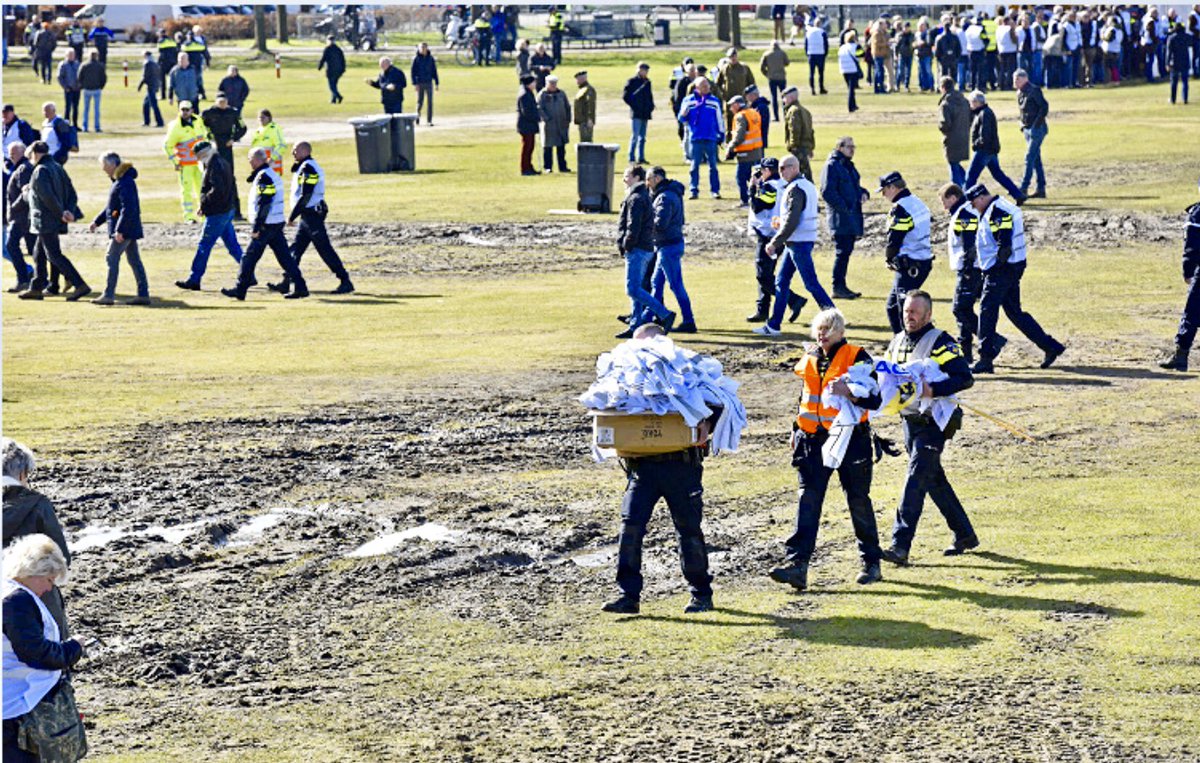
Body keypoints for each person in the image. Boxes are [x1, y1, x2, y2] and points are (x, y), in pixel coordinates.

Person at [600, 322, 716, 615]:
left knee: (688, 529)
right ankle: (628, 596)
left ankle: (701, 594)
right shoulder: (626, 370)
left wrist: (708, 422)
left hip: (681, 465)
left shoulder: (685, 366)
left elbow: (719, 400)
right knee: (630, 528)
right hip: (641, 467)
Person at [767, 308, 883, 590]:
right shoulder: (810, 356)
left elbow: (875, 400)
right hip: (811, 440)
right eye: (819, 329)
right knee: (808, 499)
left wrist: (850, 393)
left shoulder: (858, 356)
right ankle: (797, 566)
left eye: (828, 329)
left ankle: (871, 562)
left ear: (841, 332)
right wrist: (795, 428)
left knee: (858, 499)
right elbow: (806, 395)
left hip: (850, 439)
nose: (822, 334)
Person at [880, 290, 978, 566]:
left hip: (935, 422)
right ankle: (965, 534)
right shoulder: (896, 342)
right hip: (909, 422)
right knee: (932, 479)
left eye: (914, 312)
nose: (908, 317)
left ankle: (900, 545)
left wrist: (932, 389)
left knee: (915, 478)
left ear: (928, 314)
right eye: (906, 311)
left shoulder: (942, 342)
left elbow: (964, 378)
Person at [2, 533, 86, 763]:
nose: (50, 588)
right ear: (33, 571)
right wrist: (73, 648)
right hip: (18, 707)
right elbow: (36, 653)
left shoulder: (7, 590)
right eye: (49, 580)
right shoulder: (17, 601)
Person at [967, 183, 1065, 374]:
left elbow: (1004, 245)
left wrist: (994, 268)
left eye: (973, 203)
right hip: (1012, 267)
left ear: (981, 197)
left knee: (987, 311)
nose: (973, 207)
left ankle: (985, 358)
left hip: (1002, 269)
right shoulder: (1003, 205)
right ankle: (1051, 346)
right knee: (1015, 313)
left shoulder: (997, 211)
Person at [754, 155, 833, 336]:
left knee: (810, 283)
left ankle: (834, 318)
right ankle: (774, 325)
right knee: (781, 282)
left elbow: (793, 220)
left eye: (783, 168)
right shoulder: (806, 185)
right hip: (799, 241)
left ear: (794, 168)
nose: (780, 172)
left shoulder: (796, 188)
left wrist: (774, 242)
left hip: (798, 242)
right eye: (779, 168)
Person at [2, 439, 71, 639]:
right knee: (54, 646)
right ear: (22, 473)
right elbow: (62, 558)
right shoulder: (38, 505)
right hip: (39, 595)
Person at [267, 141, 353, 296]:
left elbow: (306, 195)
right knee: (296, 249)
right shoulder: (305, 167)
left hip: (312, 216)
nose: (292, 153)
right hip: (307, 216)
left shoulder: (309, 168)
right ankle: (286, 281)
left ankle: (345, 280)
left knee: (324, 249)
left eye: (295, 150)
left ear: (305, 151)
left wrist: (292, 216)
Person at [222, 147, 307, 301]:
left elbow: (265, 203)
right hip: (275, 222)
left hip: (266, 225)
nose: (249, 162)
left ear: (257, 160)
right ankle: (301, 287)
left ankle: (240, 290)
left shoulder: (264, 177)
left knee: (248, 258)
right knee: (285, 258)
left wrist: (257, 227)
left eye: (250, 159)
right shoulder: (271, 174)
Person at [19, 141, 90, 302]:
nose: (30, 160)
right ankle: (36, 287)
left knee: (54, 255)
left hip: (45, 219)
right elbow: (72, 193)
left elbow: (46, 197)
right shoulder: (58, 167)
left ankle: (80, 284)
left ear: (35, 153)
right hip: (54, 219)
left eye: (30, 156)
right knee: (39, 253)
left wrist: (26, 193)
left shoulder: (40, 170)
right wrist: (68, 211)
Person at [175, 141, 243, 291]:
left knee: (204, 246)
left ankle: (194, 279)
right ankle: (248, 273)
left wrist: (205, 204)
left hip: (217, 213)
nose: (197, 159)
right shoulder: (221, 162)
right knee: (232, 245)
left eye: (198, 156)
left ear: (204, 154)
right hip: (226, 210)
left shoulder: (214, 166)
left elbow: (216, 190)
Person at [616, 165, 674, 339]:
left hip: (638, 248)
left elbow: (633, 225)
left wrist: (626, 244)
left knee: (633, 289)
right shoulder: (640, 195)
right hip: (642, 247)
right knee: (637, 289)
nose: (624, 179)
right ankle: (636, 324)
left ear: (636, 178)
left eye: (627, 176)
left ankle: (664, 314)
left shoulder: (636, 198)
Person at [746, 157, 804, 324]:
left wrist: (752, 188)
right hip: (778, 233)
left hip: (768, 235)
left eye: (761, 171)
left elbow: (757, 206)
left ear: (767, 170)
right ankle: (762, 310)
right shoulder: (783, 184)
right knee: (766, 274)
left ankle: (793, 300)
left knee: (763, 276)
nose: (759, 174)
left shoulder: (770, 186)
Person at [88, 152, 149, 306]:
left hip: (125, 229)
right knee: (134, 260)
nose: (103, 169)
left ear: (113, 165)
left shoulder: (124, 182)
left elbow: (128, 208)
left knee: (111, 257)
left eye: (104, 165)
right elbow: (111, 207)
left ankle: (108, 295)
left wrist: (120, 230)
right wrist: (97, 222)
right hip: (129, 228)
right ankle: (143, 294)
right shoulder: (120, 181)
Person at [878, 171, 934, 334]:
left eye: (884, 190)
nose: (883, 195)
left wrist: (889, 259)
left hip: (910, 265)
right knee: (893, 306)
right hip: (923, 261)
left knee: (905, 311)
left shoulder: (900, 209)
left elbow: (895, 239)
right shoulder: (917, 202)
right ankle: (902, 341)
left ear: (892, 187)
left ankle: (911, 343)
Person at [647, 167, 696, 333]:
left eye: (649, 179)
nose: (647, 183)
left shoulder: (664, 197)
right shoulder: (669, 194)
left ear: (657, 178)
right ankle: (649, 317)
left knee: (675, 285)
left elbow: (661, 223)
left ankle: (689, 321)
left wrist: (645, 224)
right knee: (656, 283)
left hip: (668, 246)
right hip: (668, 245)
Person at [1159, 178, 1200, 371]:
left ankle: (1181, 355)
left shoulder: (1197, 214)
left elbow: (1191, 247)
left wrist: (1188, 271)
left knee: (1192, 312)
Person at [939, 183, 983, 363]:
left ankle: (992, 339)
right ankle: (966, 352)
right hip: (971, 267)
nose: (943, 206)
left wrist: (967, 268)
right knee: (965, 309)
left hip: (970, 269)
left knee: (959, 309)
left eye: (944, 201)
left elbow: (969, 244)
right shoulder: (963, 211)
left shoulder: (964, 213)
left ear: (953, 198)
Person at [821, 136, 869, 300]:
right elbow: (827, 192)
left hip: (850, 217)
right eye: (849, 146)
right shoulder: (832, 165)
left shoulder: (847, 165)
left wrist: (863, 193)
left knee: (846, 252)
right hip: (840, 218)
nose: (852, 149)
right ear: (840, 147)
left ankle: (841, 286)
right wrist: (845, 207)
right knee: (842, 253)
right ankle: (837, 287)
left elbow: (854, 187)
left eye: (853, 146)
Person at [965, 91, 1026, 203]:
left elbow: (985, 136)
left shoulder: (984, 113)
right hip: (990, 150)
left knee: (970, 177)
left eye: (971, 102)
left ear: (977, 102)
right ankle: (1018, 194)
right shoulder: (983, 112)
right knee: (998, 175)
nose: (970, 105)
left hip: (984, 150)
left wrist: (976, 144)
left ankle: (964, 202)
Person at [201, 93, 247, 220]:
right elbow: (202, 127)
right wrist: (211, 139)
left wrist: (234, 139)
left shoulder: (233, 113)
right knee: (210, 177)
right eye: (220, 102)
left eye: (224, 102)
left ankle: (236, 212)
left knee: (229, 177)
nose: (222, 104)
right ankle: (209, 210)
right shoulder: (208, 113)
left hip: (227, 147)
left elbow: (243, 128)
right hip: (212, 148)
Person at [677, 78, 722, 200]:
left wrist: (721, 133)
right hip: (695, 138)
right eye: (703, 86)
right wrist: (683, 114)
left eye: (707, 86)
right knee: (694, 166)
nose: (707, 88)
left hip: (710, 137)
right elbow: (681, 118)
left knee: (713, 166)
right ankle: (693, 190)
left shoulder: (714, 101)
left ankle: (715, 190)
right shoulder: (689, 101)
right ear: (697, 87)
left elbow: (719, 118)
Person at [163, 101, 208, 224]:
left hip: (199, 163)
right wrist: (175, 161)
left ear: (192, 110)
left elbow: (204, 138)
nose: (185, 112)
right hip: (185, 164)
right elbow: (167, 145)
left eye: (187, 110)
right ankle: (188, 216)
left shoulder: (198, 121)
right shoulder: (176, 126)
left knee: (202, 189)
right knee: (186, 191)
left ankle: (204, 215)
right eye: (182, 110)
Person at [1013, 69, 1049, 201]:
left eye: (1017, 79)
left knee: (1029, 157)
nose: (1015, 82)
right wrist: (1022, 125)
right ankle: (1041, 188)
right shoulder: (1019, 93)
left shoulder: (1034, 90)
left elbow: (1044, 107)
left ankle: (1024, 187)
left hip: (1036, 129)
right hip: (1027, 129)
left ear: (1025, 79)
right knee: (1035, 159)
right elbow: (1023, 112)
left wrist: (1036, 125)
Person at [5, 143, 36, 291]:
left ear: (23, 152)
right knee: (36, 250)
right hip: (24, 216)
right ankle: (44, 279)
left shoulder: (23, 168)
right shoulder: (21, 167)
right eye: (10, 153)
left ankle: (24, 279)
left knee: (11, 245)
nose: (11, 157)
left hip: (21, 217)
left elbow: (26, 193)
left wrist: (13, 207)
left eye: (14, 153)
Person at [724, 97, 763, 207]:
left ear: (737, 105)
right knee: (755, 176)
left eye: (732, 106)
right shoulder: (753, 113)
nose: (730, 109)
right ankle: (758, 198)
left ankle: (745, 200)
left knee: (741, 178)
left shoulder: (740, 116)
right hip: (757, 151)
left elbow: (740, 136)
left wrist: (730, 147)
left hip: (745, 153)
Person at [938, 77, 971, 186]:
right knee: (955, 164)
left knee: (953, 165)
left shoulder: (945, 104)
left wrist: (940, 127)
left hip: (951, 138)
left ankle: (958, 191)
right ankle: (968, 185)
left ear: (943, 88)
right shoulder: (964, 100)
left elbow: (945, 124)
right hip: (964, 136)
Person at [715, 49, 756, 133]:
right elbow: (717, 84)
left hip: (742, 100)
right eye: (730, 57)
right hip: (729, 101)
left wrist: (749, 97)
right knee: (729, 124)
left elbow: (751, 83)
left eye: (734, 56)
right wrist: (723, 94)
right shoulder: (724, 68)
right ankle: (729, 139)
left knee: (743, 122)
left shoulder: (744, 68)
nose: (733, 58)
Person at [536, 75, 571, 174]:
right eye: (551, 83)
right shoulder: (542, 95)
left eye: (555, 83)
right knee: (548, 147)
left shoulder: (561, 94)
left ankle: (562, 167)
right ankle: (548, 167)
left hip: (561, 124)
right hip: (549, 125)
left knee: (561, 147)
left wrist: (568, 119)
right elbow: (539, 108)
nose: (553, 85)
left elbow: (567, 107)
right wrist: (546, 118)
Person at [622, 62, 654, 165]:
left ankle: (641, 157)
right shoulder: (632, 81)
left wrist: (651, 106)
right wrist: (634, 105)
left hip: (645, 112)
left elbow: (649, 96)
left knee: (642, 138)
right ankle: (631, 157)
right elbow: (625, 96)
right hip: (636, 112)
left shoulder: (647, 82)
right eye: (644, 70)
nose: (646, 72)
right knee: (635, 136)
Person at [781, 86, 814, 181]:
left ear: (791, 97)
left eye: (784, 97)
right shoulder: (805, 110)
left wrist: (793, 145)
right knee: (806, 172)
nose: (783, 100)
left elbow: (794, 130)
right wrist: (811, 147)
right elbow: (811, 131)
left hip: (798, 147)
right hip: (805, 146)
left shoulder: (793, 111)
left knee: (799, 174)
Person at [250, 109, 286, 178]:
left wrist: (271, 159)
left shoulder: (274, 128)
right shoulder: (257, 131)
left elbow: (281, 146)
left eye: (263, 117)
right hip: (260, 166)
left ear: (269, 118)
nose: (261, 119)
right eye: (259, 117)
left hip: (273, 167)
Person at [516, 75, 540, 176]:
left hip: (529, 125)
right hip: (526, 125)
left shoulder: (528, 92)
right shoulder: (525, 95)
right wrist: (537, 118)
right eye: (534, 82)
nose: (535, 84)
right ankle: (525, 168)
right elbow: (527, 112)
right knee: (527, 147)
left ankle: (529, 166)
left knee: (530, 147)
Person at [411, 43, 439, 126]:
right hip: (420, 83)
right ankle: (417, 118)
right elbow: (413, 72)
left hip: (429, 82)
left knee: (430, 102)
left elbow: (434, 70)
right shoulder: (416, 59)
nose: (423, 49)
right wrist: (415, 84)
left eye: (424, 48)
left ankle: (429, 120)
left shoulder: (430, 58)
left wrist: (437, 82)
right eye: (421, 48)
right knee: (420, 102)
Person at [760, 41, 790, 117]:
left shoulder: (767, 54)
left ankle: (776, 116)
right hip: (781, 78)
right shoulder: (782, 53)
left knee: (774, 97)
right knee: (784, 97)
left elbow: (762, 67)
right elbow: (787, 63)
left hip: (772, 78)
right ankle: (786, 114)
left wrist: (767, 74)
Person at [1166, 22, 1193, 105]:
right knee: (1185, 81)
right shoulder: (1187, 36)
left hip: (1175, 62)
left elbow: (1169, 52)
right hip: (1185, 61)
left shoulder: (1171, 38)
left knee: (1174, 82)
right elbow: (1192, 43)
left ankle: (1173, 99)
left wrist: (1167, 63)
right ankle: (1185, 98)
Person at [838, 31, 864, 112]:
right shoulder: (856, 46)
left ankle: (854, 104)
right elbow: (862, 55)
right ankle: (850, 106)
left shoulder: (842, 47)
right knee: (851, 89)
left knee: (850, 88)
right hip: (852, 69)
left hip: (844, 69)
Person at [138, 50, 164, 128]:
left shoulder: (147, 64)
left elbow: (145, 76)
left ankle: (159, 122)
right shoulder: (155, 63)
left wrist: (140, 86)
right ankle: (146, 122)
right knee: (146, 104)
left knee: (154, 105)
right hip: (155, 85)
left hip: (150, 86)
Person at [56, 50, 81, 130]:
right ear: (66, 55)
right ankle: (66, 124)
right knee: (68, 107)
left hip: (77, 89)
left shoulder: (77, 64)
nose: (71, 56)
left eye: (73, 55)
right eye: (70, 55)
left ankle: (75, 124)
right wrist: (65, 87)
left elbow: (81, 75)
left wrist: (79, 85)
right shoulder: (63, 64)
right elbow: (60, 77)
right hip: (68, 89)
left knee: (75, 107)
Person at [318, 36, 347, 105]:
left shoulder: (327, 49)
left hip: (331, 70)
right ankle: (333, 99)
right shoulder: (338, 49)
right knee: (334, 85)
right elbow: (343, 60)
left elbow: (323, 59)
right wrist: (343, 69)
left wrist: (319, 67)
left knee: (331, 86)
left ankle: (339, 96)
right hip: (338, 70)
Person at [182, 29, 209, 100]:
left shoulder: (185, 45)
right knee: (198, 80)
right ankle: (202, 94)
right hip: (198, 65)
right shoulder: (198, 44)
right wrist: (207, 62)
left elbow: (181, 53)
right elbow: (205, 53)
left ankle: (192, 94)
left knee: (189, 81)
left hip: (189, 65)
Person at [935, 15, 963, 80]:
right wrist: (956, 58)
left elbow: (937, 51)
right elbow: (959, 49)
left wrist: (939, 59)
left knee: (943, 75)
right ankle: (952, 85)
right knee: (953, 75)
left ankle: (943, 85)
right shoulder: (955, 37)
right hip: (952, 59)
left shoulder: (940, 37)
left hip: (944, 60)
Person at [805, 21, 829, 95]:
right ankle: (821, 88)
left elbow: (806, 43)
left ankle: (812, 89)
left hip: (811, 54)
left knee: (811, 72)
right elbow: (826, 44)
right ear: (820, 24)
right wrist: (825, 53)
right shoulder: (822, 32)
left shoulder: (809, 32)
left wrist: (807, 53)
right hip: (820, 54)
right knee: (821, 73)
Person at [745, 85, 771, 149]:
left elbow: (760, 124)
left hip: (758, 140)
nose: (747, 98)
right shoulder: (755, 106)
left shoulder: (761, 107)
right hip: (756, 140)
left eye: (748, 95)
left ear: (754, 95)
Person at [572, 70, 595, 143]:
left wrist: (590, 119)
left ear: (583, 79)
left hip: (586, 120)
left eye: (578, 79)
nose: (577, 81)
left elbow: (591, 105)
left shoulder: (588, 89)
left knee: (586, 141)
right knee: (583, 141)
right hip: (581, 120)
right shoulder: (582, 89)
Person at [157, 29, 179, 100]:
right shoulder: (171, 40)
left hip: (163, 63)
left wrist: (158, 62)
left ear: (161, 34)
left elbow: (160, 52)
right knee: (173, 79)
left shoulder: (161, 41)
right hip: (172, 62)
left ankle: (163, 95)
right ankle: (175, 94)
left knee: (162, 80)